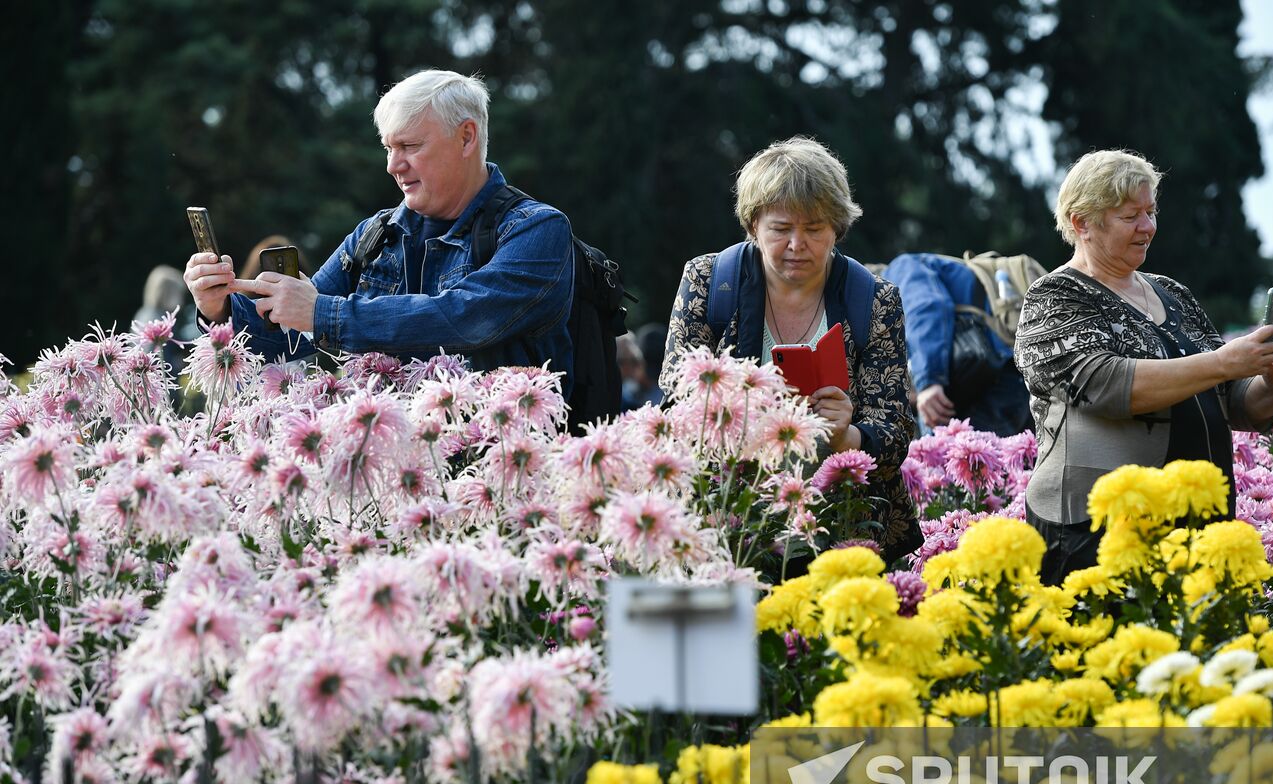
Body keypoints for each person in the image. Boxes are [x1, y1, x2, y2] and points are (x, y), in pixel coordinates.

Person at [182, 69, 575, 391]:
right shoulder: (373, 234)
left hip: (503, 468)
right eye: (388, 148)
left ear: (466, 137)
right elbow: (284, 340)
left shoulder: (538, 229)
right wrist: (216, 307)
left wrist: (323, 313)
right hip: (387, 475)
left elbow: (461, 318)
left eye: (409, 146)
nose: (392, 165)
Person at [1015, 149, 1273, 583]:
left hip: (1195, 526)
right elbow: (1106, 385)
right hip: (1095, 534)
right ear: (1081, 223)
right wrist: (1223, 361)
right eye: (1130, 216)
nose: (1148, 227)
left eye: (1150, 212)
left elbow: (1232, 402)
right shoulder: (1054, 297)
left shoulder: (1172, 293)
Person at [660, 136, 919, 558]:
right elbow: (676, 400)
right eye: (780, 229)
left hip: (841, 525)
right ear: (752, 227)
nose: (797, 245)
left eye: (814, 229)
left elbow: (894, 428)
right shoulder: (709, 281)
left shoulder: (874, 299)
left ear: (837, 227)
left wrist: (848, 435)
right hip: (728, 520)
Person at [887, 252, 1034, 436]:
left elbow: (925, 308)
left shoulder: (898, 271)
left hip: (996, 377)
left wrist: (929, 382)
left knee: (943, 456)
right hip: (1020, 381)